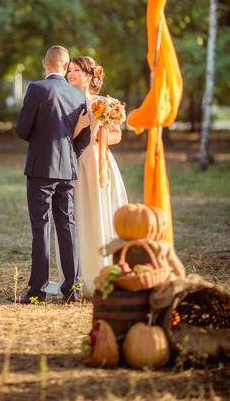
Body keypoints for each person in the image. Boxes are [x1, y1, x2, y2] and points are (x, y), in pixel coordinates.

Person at [15, 46, 91, 304]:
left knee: (41, 228)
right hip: (67, 170)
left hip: (40, 169)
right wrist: (69, 154)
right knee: (67, 227)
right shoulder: (78, 95)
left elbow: (22, 129)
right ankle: (72, 290)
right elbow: (84, 137)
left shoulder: (36, 89)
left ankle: (38, 290)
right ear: (67, 64)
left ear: (44, 63)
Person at [52, 56, 129, 297]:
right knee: (77, 214)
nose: (70, 73)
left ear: (89, 75)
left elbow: (117, 135)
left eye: (76, 70)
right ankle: (77, 276)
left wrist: (100, 137)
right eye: (69, 69)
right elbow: (62, 137)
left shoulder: (105, 103)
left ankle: (104, 272)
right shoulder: (64, 102)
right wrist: (82, 126)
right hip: (75, 163)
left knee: (100, 211)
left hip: (100, 163)